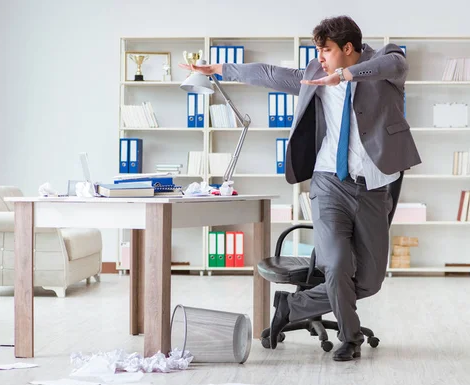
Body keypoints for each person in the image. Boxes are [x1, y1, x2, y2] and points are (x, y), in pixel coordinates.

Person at [180, 15, 421, 362]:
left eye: (325, 51)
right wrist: (218, 69)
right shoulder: (315, 74)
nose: (319, 58)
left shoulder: (386, 64)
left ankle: (291, 305)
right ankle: (350, 338)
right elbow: (271, 74)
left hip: (373, 188)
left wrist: (346, 75)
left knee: (369, 282)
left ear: (348, 49)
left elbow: (394, 62)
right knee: (337, 266)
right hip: (328, 184)